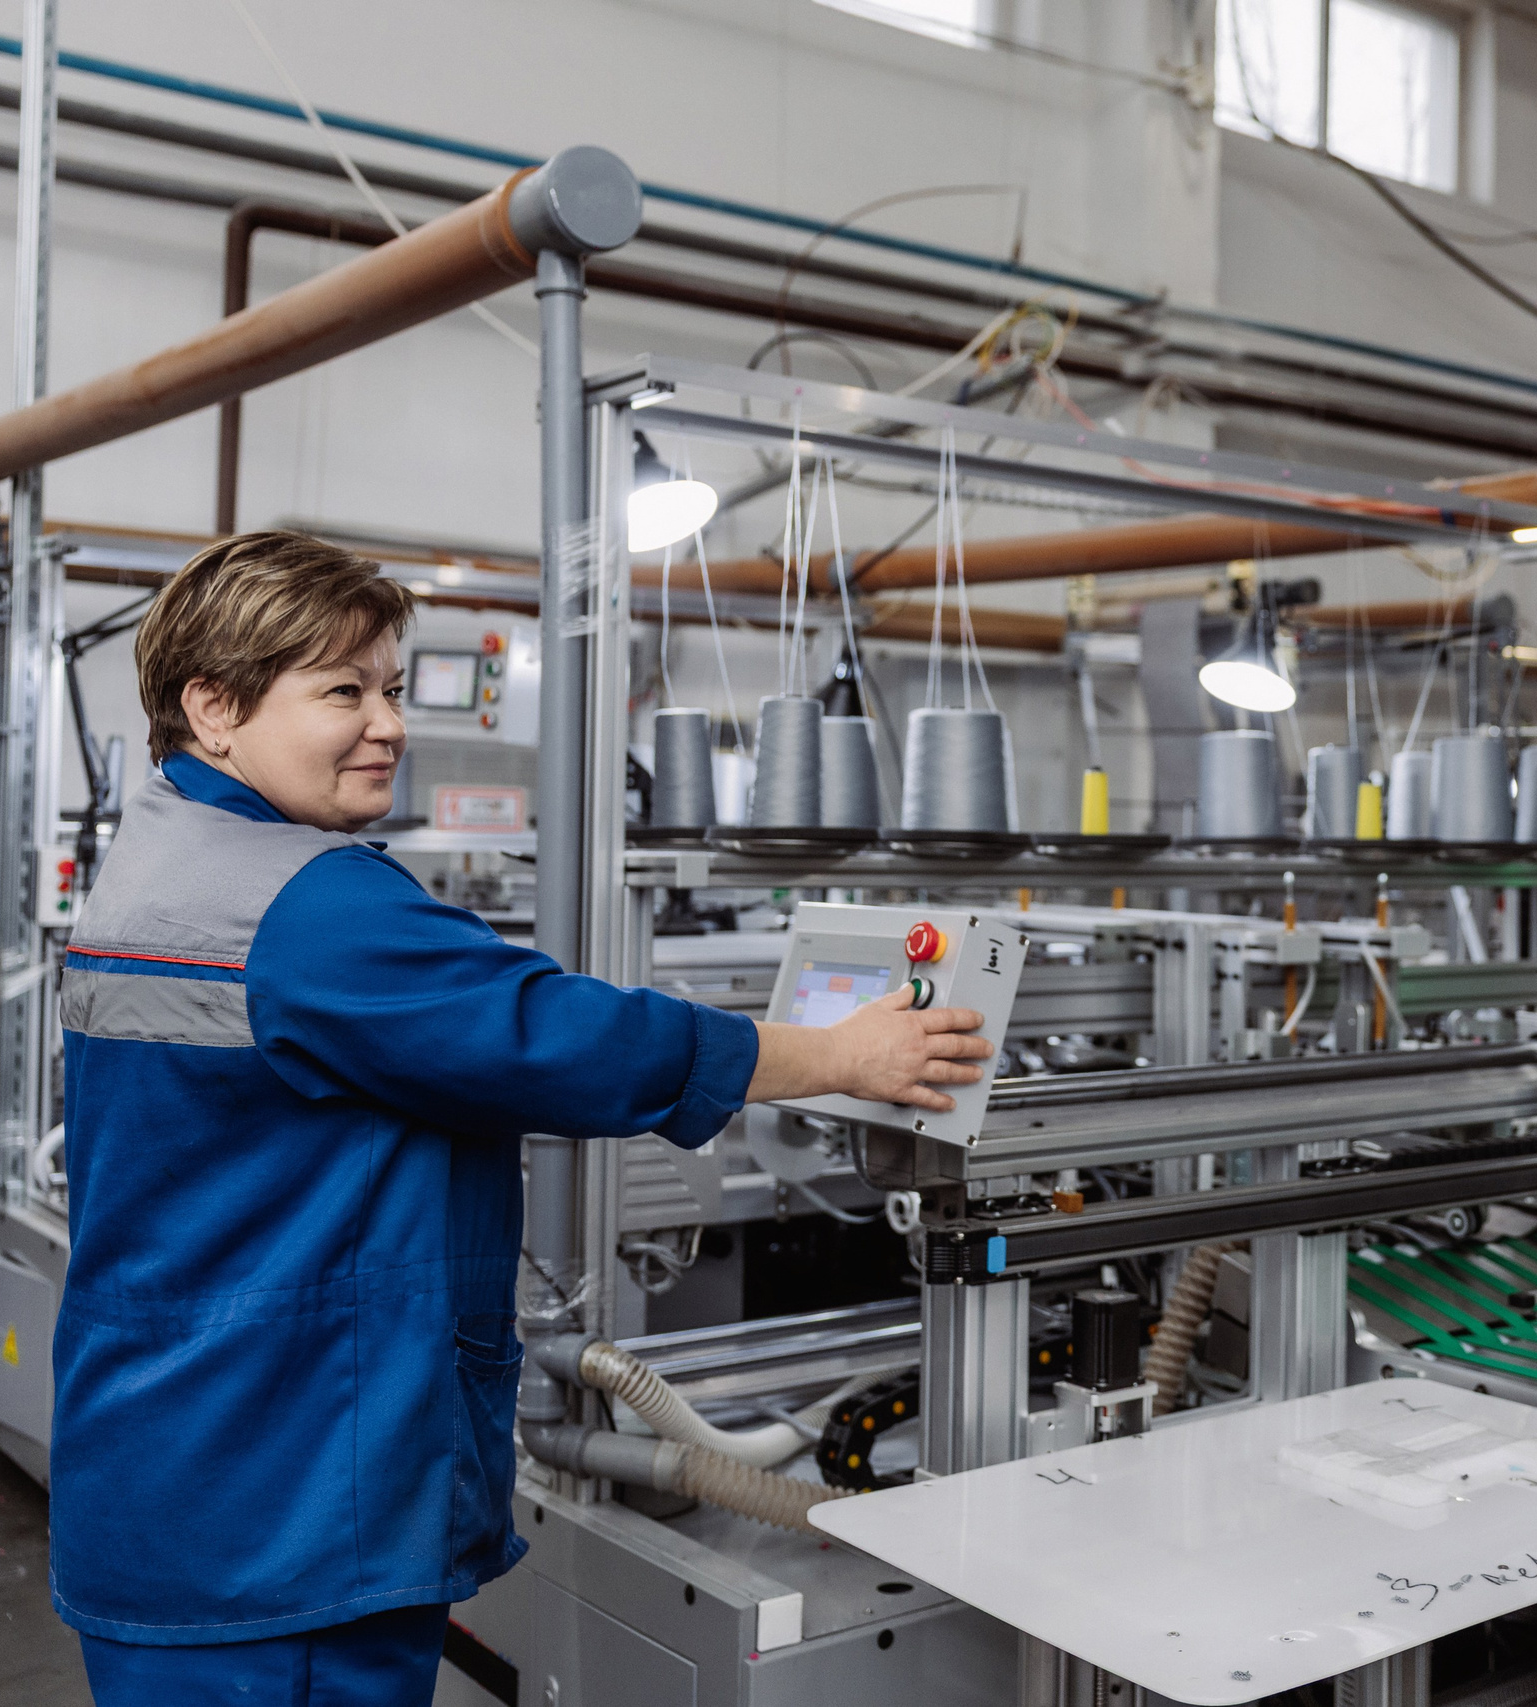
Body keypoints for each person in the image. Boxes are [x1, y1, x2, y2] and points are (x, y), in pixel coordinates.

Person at [51, 532, 992, 1705]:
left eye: (390, 688)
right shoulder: (307, 903)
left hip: (171, 1454)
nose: (388, 722)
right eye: (342, 690)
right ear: (214, 707)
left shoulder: (157, 859)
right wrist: (839, 1053)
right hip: (283, 1494)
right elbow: (560, 1036)